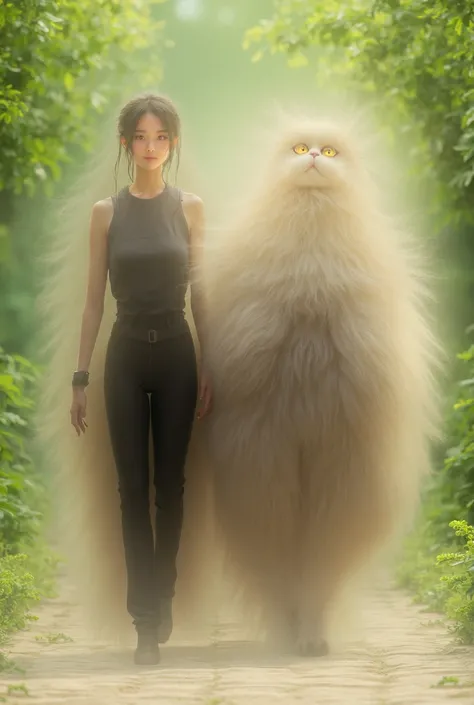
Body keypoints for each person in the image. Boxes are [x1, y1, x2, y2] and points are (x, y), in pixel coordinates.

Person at [68, 93, 212, 666]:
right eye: (140, 137)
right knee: (130, 493)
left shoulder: (191, 208)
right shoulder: (106, 213)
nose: (151, 147)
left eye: (161, 137)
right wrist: (80, 376)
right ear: (125, 143)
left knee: (169, 490)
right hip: (124, 356)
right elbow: (90, 306)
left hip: (178, 354)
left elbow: (202, 293)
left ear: (172, 144)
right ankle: (144, 622)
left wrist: (213, 363)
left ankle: (165, 591)